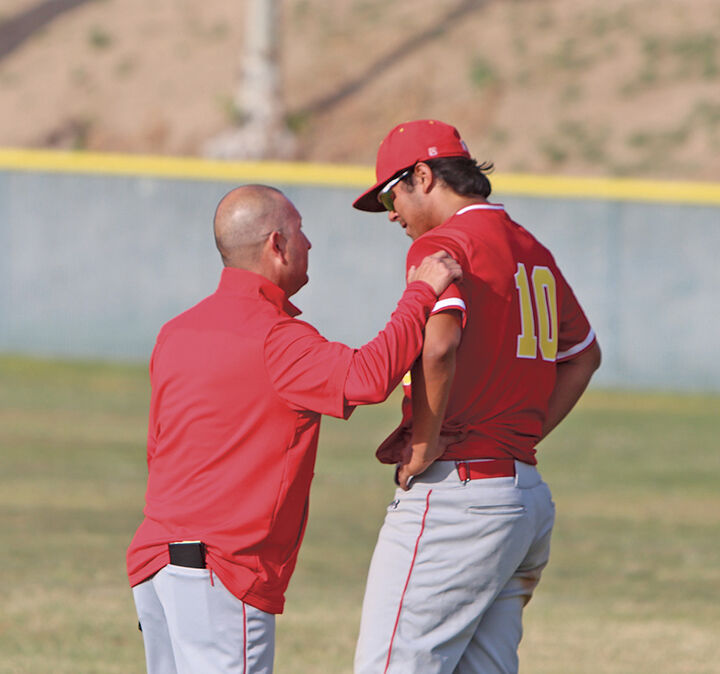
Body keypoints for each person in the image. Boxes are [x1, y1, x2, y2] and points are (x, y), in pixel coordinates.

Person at [126, 184, 462, 674]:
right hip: (221, 573)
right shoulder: (276, 338)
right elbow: (368, 378)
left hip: (156, 565)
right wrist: (420, 294)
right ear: (276, 245)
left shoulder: (176, 331)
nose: (310, 244)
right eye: (301, 232)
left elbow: (157, 450)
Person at [351, 119, 602, 674]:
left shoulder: (445, 244)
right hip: (523, 497)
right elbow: (583, 356)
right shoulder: (530, 246)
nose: (391, 212)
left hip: (458, 498)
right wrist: (520, 434)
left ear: (423, 176)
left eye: (391, 194)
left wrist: (424, 442)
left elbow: (438, 346)